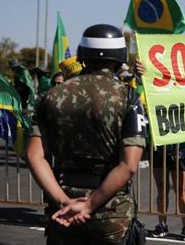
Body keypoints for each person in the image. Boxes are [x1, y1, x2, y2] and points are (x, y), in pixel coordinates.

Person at [27, 24, 146, 244]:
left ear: (82, 55)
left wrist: (64, 202)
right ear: (120, 57)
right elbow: (129, 164)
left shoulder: (51, 96)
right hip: (111, 213)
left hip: (62, 211)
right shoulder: (127, 97)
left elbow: (35, 156)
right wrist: (89, 204)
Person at [133, 59, 185, 241]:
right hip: (158, 145)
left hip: (179, 145)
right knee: (162, 189)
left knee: (181, 191)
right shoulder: (153, 88)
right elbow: (140, 92)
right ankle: (162, 224)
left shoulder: (183, 88)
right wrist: (139, 75)